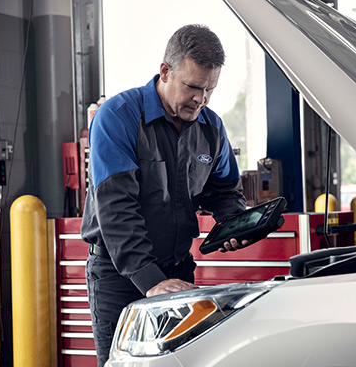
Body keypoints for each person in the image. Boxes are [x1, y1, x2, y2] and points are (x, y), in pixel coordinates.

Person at [81, 24, 248, 366]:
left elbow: (224, 189)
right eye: (192, 87)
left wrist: (233, 220)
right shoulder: (119, 117)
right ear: (165, 71)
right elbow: (115, 207)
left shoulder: (211, 127)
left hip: (178, 272)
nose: (201, 99)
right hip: (120, 276)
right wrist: (150, 280)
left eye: (209, 90)